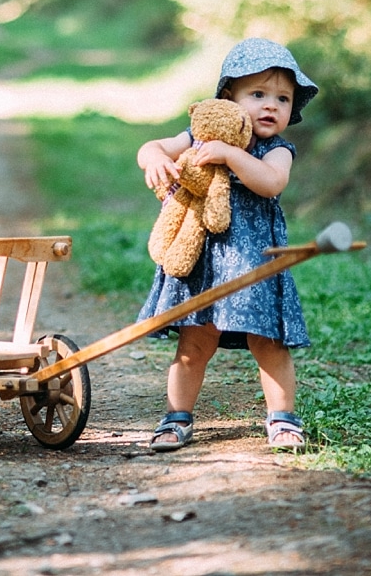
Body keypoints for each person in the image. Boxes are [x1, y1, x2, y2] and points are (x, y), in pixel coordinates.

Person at [135, 37, 319, 452]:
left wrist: (230, 156)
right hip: (202, 263)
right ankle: (176, 417)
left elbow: (271, 183)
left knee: (268, 343)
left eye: (283, 99)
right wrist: (156, 160)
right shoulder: (197, 136)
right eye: (258, 94)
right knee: (194, 343)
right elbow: (152, 147)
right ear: (227, 98)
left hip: (253, 266)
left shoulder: (278, 150)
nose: (271, 106)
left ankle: (284, 419)